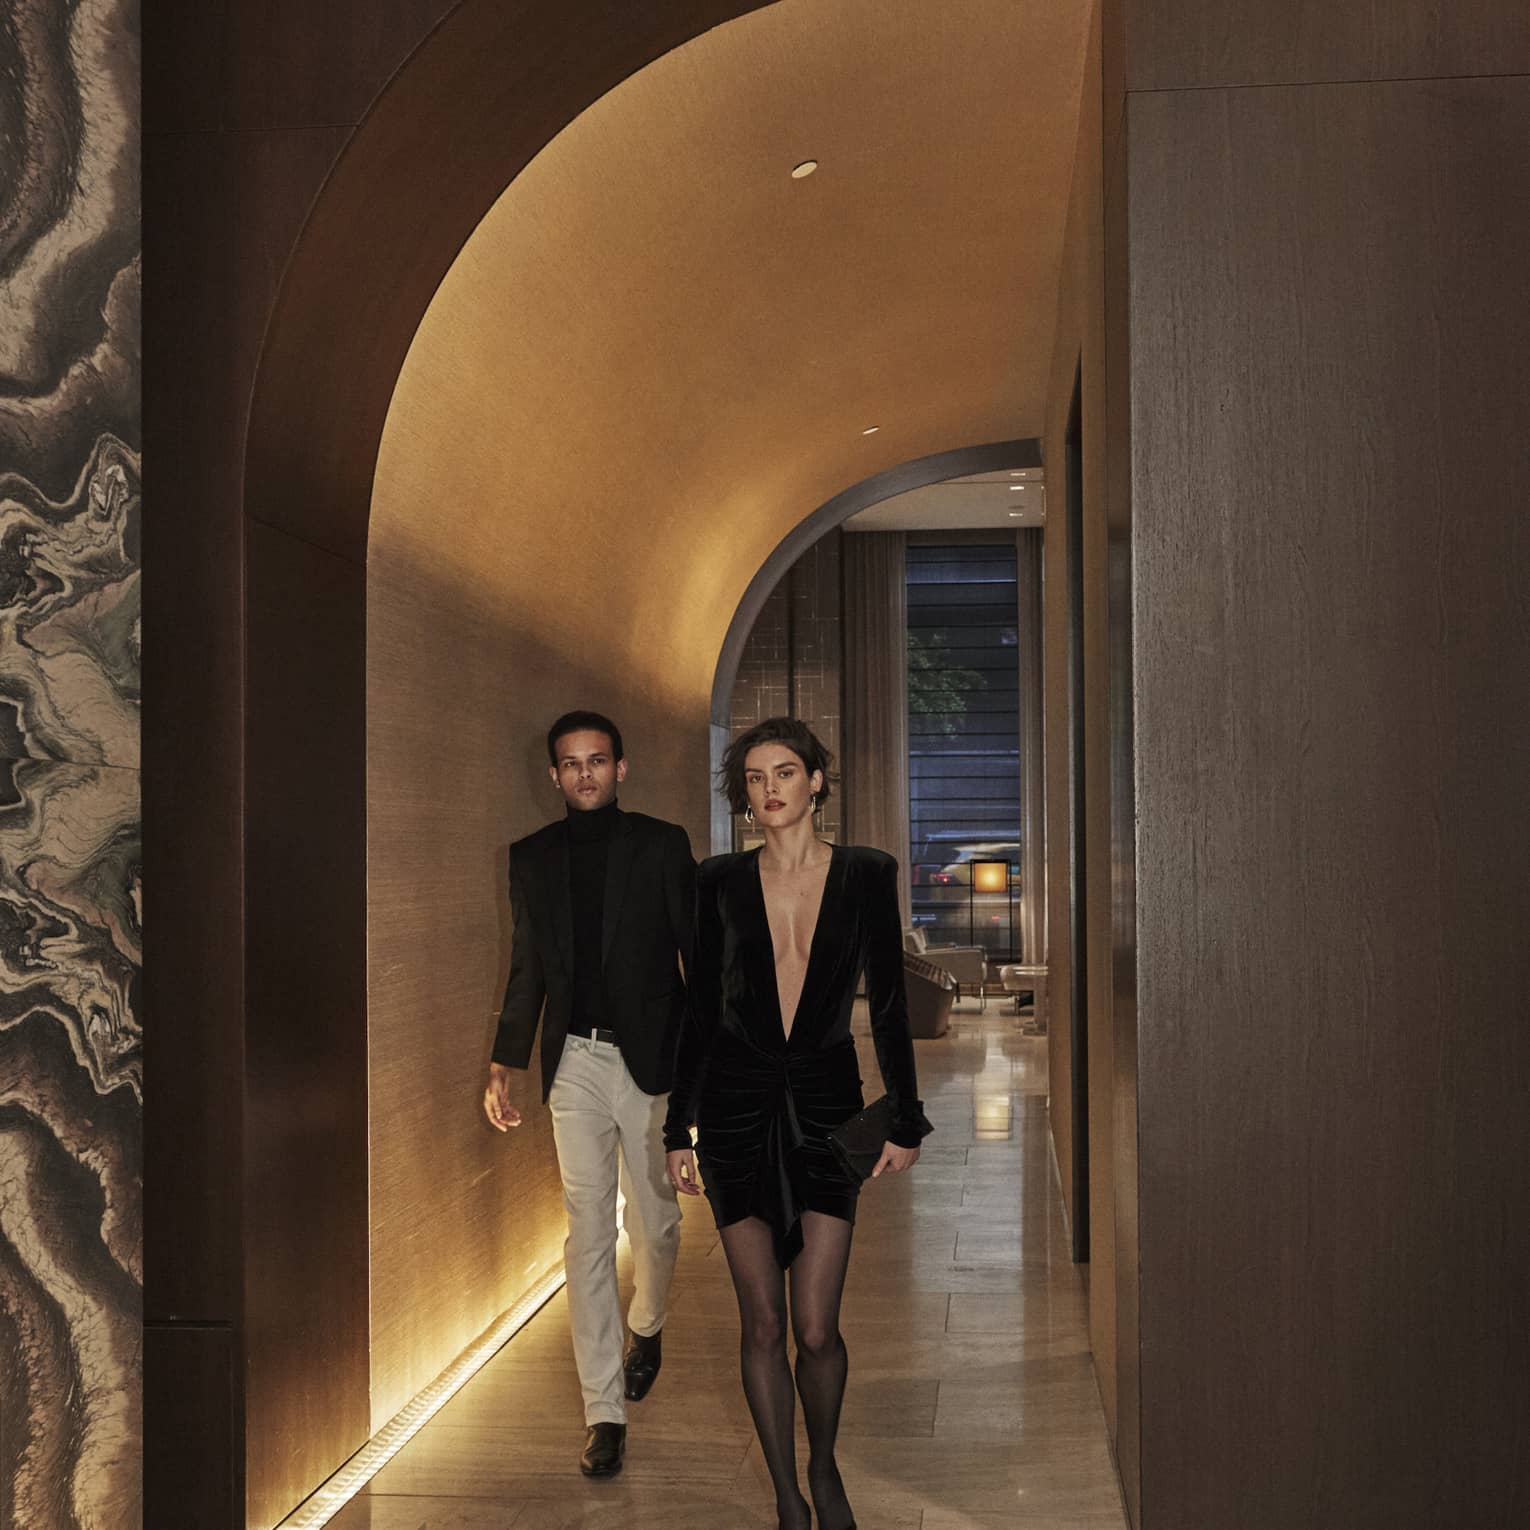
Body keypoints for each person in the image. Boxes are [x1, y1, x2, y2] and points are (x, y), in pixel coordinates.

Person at [664, 716, 931, 1530]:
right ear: (742, 795)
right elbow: (698, 1013)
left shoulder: (864, 874)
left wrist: (905, 1119)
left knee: (816, 1327)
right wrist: (679, 1127)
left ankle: (823, 1463)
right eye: (753, 777)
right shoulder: (716, 882)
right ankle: (786, 1494)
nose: (769, 788)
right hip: (735, 1109)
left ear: (817, 780)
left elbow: (888, 1004)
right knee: (764, 1321)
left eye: (785, 772)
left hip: (824, 1106)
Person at [484, 710, 696, 1478]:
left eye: (597, 761)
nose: (584, 775)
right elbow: (526, 967)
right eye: (569, 764)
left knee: (659, 1224)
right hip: (572, 1060)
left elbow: (694, 964)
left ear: (620, 768)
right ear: (553, 775)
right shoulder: (532, 857)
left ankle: (649, 1321)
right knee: (587, 1234)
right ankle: (602, 1411)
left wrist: (700, 1076)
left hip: (650, 1063)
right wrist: (507, 1060)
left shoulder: (663, 845)